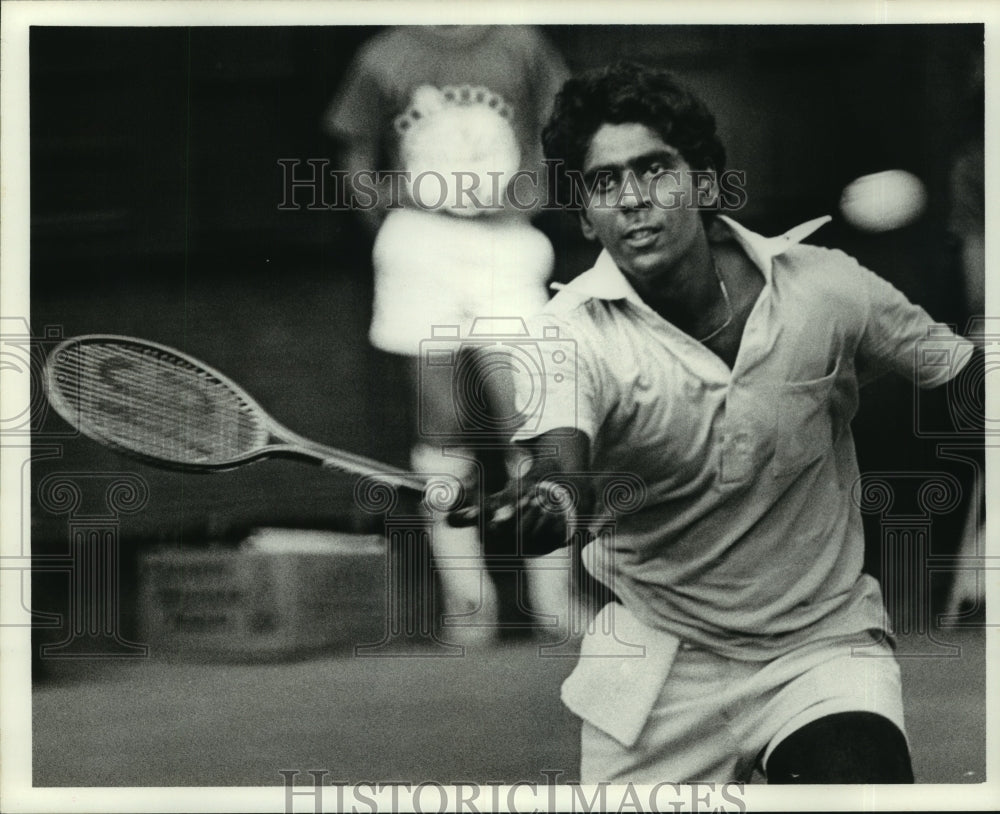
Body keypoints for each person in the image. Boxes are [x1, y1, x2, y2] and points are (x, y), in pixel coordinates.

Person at [453, 61, 980, 782]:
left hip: (820, 651)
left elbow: (964, 377)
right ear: (583, 214)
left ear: (702, 182)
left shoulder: (826, 288)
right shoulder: (564, 336)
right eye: (605, 183)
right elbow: (559, 468)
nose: (634, 199)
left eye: (655, 170)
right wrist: (542, 504)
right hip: (659, 669)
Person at [324, 26, 572, 643]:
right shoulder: (385, 55)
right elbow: (355, 150)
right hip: (422, 241)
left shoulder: (520, 44)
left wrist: (526, 196)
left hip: (506, 242)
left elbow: (560, 127)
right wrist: (398, 224)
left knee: (530, 416)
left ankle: (554, 599)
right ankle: (468, 606)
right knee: (440, 427)